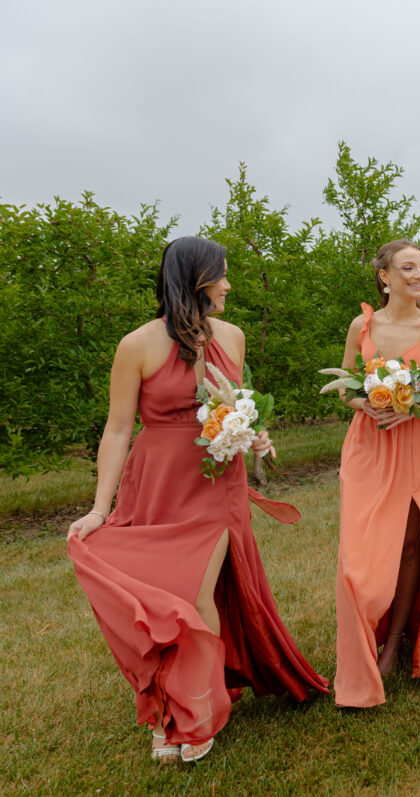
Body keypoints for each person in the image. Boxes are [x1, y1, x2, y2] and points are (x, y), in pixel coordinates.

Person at [67, 236, 328, 765]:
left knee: (195, 593)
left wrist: (255, 433)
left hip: (216, 482)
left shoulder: (231, 336)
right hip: (158, 479)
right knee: (162, 598)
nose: (230, 284)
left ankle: (197, 712)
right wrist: (100, 508)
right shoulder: (136, 345)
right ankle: (174, 705)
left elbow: (240, 404)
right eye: (223, 275)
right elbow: (118, 430)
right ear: (195, 280)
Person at [334, 239, 420, 708]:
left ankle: (396, 642)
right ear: (384, 275)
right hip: (369, 445)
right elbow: (346, 385)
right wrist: (373, 403)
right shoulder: (363, 323)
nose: (419, 276)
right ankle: (359, 640)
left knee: (414, 542)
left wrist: (410, 407)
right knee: (362, 552)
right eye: (408, 268)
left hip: (417, 443)